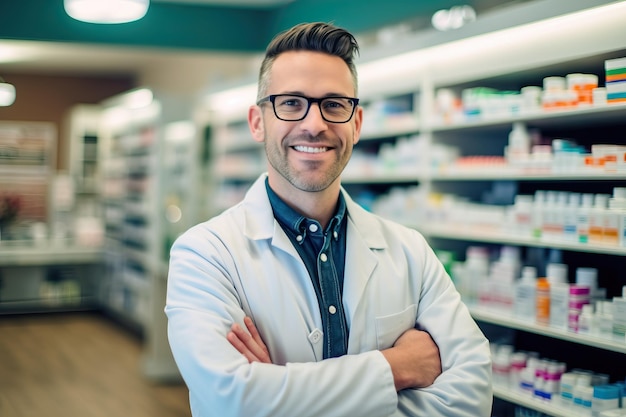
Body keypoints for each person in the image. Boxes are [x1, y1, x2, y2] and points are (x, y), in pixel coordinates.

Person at [165, 22, 492, 417]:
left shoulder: (410, 252)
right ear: (257, 122)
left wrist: (279, 391)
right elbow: (230, 400)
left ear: (356, 123)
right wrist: (397, 367)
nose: (314, 124)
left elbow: (471, 397)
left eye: (334, 104)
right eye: (290, 103)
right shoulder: (204, 255)